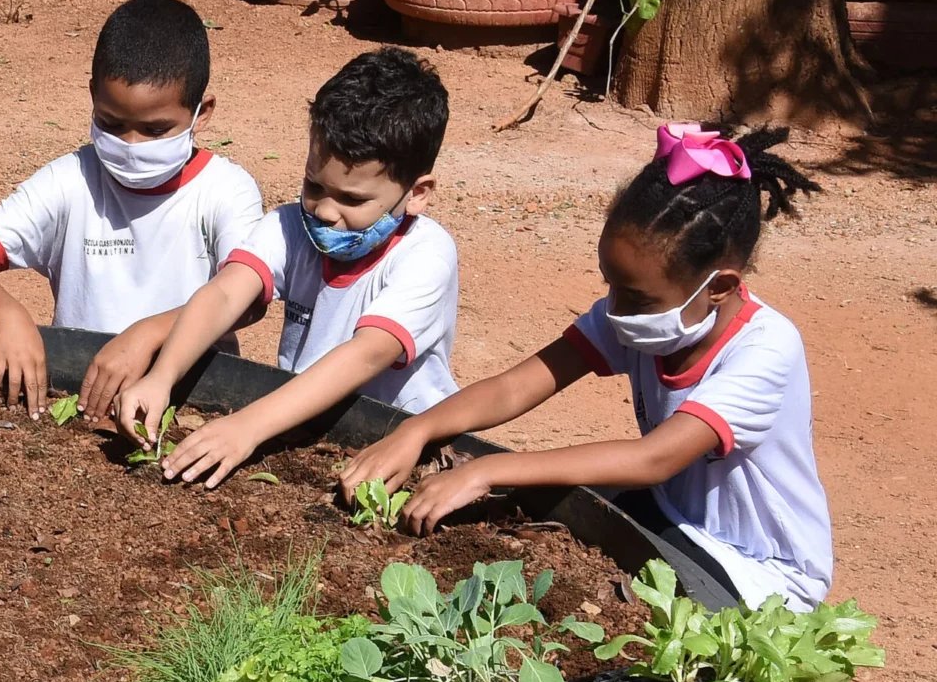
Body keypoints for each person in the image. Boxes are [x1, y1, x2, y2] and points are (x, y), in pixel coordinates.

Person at [340, 125, 830, 610]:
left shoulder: (765, 350)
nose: (615, 308)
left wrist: (485, 471)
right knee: (543, 521)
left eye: (634, 296)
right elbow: (516, 387)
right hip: (672, 515)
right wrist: (417, 430)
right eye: (610, 286)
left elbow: (651, 459)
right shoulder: (644, 314)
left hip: (761, 571)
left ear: (719, 287)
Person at [117, 46, 458, 487]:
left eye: (352, 200)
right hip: (303, 421)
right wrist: (163, 376)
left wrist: (246, 427)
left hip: (401, 442)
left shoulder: (427, 255)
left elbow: (366, 353)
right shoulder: (288, 226)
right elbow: (224, 293)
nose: (326, 212)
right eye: (314, 185)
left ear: (417, 192)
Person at [0, 0, 264, 415]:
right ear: (92, 95)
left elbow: (249, 299)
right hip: (81, 394)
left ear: (202, 113)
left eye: (155, 129)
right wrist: (8, 314)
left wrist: (147, 335)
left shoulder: (226, 190)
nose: (131, 145)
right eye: (111, 123)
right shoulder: (71, 181)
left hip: (191, 397)